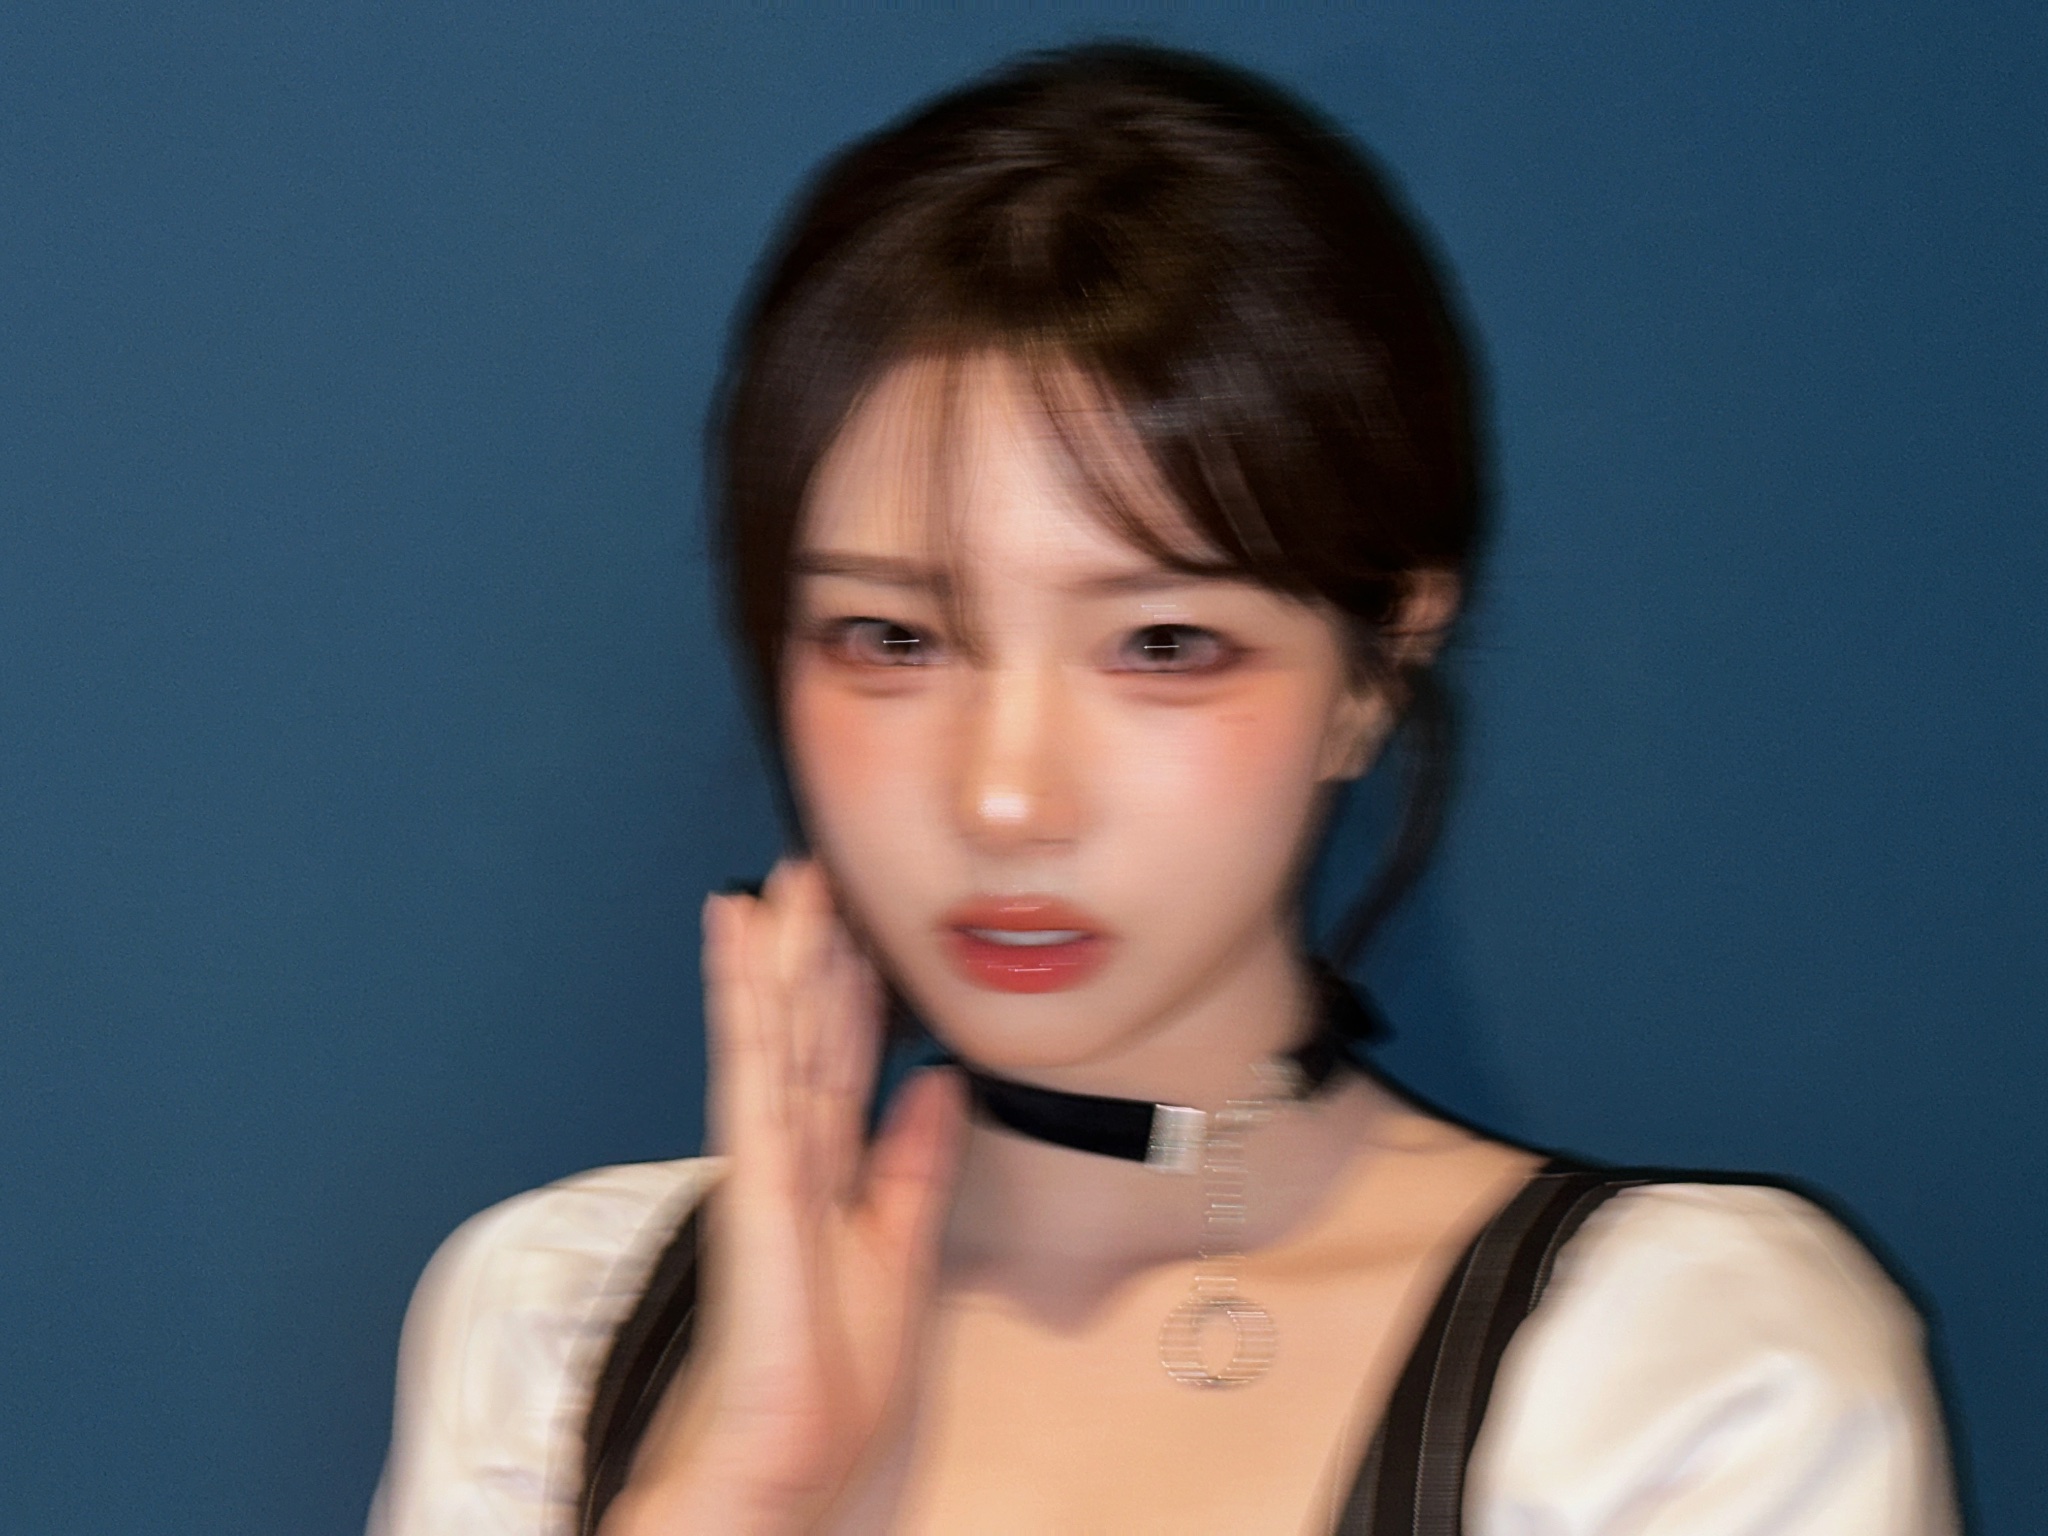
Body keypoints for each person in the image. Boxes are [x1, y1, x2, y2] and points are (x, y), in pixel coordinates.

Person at [367, 43, 1958, 1535]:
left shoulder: (1681, 1382)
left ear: (1374, 673)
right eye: (894, 638)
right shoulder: (555, 1331)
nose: (1006, 800)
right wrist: (728, 1487)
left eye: (1164, 644)